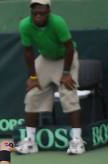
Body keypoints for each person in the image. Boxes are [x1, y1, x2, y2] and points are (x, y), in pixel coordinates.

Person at [16, 0, 85, 155]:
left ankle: (77, 141)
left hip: (66, 58)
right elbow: (28, 51)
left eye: (41, 12)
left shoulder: (58, 22)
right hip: (46, 59)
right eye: (34, 13)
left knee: (68, 94)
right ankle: (30, 142)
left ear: (48, 11)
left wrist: (66, 73)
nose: (38, 16)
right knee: (32, 95)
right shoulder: (25, 25)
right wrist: (33, 76)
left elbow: (69, 47)